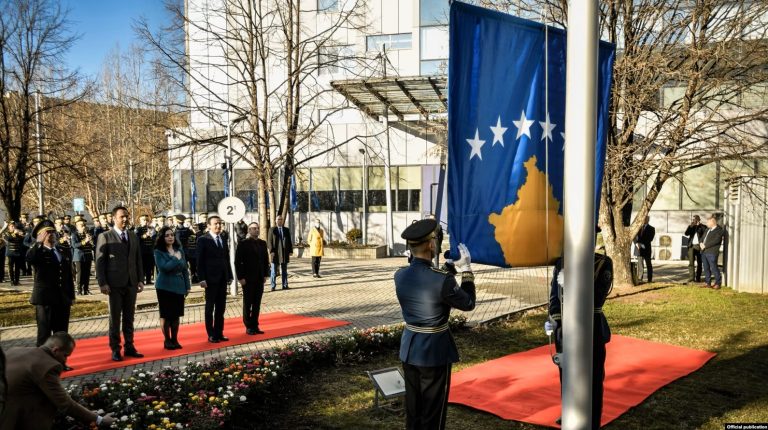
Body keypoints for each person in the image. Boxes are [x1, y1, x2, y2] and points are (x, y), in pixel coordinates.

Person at [394, 219, 476, 430]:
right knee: (433, 412)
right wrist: (466, 269)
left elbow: (428, 280)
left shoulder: (399, 275)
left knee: (413, 409)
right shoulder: (442, 280)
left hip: (410, 348)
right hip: (433, 351)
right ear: (431, 244)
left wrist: (450, 267)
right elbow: (467, 303)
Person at [547, 252, 613, 430]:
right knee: (566, 375)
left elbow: (597, 299)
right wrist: (557, 324)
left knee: (594, 378)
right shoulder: (561, 262)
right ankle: (569, 412)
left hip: (591, 328)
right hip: (565, 328)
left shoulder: (602, 262)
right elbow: (554, 297)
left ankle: (593, 420)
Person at [0, 332, 116, 429]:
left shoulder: (15, 350)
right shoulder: (48, 366)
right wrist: (100, 420)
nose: (65, 361)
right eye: (65, 355)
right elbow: (65, 403)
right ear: (55, 350)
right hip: (12, 419)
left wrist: (87, 413)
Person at [95, 206, 145, 362]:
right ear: (113, 218)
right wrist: (102, 282)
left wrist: (140, 279)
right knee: (115, 318)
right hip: (114, 284)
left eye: (127, 216)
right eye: (122, 216)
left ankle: (129, 346)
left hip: (131, 283)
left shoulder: (133, 236)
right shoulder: (105, 236)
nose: (125, 219)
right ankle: (115, 349)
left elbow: (138, 259)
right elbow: (100, 262)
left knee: (129, 317)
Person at [26, 220, 75, 351]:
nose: (52, 234)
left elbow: (68, 276)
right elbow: (29, 259)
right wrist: (38, 243)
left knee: (62, 334)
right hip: (45, 300)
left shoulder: (62, 250)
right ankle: (43, 360)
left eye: (53, 232)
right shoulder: (38, 251)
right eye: (48, 232)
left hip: (62, 299)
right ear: (40, 235)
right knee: (44, 334)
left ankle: (60, 360)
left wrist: (71, 296)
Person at [196, 216, 233, 343]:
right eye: (215, 224)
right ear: (209, 226)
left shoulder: (222, 238)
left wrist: (229, 275)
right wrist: (201, 278)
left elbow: (226, 258)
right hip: (210, 279)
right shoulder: (203, 239)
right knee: (210, 307)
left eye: (220, 223)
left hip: (222, 278)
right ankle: (211, 334)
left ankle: (219, 332)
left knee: (221, 307)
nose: (218, 226)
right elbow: (199, 260)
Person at [154, 226, 191, 350]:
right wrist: (175, 258)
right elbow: (164, 268)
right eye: (167, 235)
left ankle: (175, 339)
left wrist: (187, 286)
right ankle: (167, 340)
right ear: (162, 238)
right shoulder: (158, 252)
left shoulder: (179, 250)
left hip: (179, 286)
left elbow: (185, 269)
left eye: (172, 235)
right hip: (164, 287)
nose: (170, 237)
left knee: (176, 315)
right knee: (166, 315)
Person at [235, 222, 270, 335]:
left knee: (257, 303)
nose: (256, 230)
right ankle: (248, 326)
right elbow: (237, 262)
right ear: (249, 230)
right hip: (247, 279)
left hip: (259, 278)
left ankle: (255, 325)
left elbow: (265, 260)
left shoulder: (262, 243)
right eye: (254, 228)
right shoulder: (243, 243)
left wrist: (265, 274)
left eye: (258, 228)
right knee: (248, 303)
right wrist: (240, 277)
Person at [268, 215, 293, 291]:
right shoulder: (272, 230)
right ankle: (273, 286)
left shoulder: (286, 230)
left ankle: (285, 285)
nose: (280, 221)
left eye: (281, 219)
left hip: (284, 253)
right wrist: (271, 251)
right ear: (275, 221)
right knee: (273, 271)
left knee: (284, 270)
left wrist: (290, 251)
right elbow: (269, 241)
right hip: (275, 253)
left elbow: (289, 241)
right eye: (278, 219)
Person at [71, 218, 95, 295]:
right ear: (77, 227)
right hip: (79, 257)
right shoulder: (74, 234)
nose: (84, 227)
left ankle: (86, 289)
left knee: (87, 273)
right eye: (81, 225)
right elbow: (74, 245)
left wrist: (91, 242)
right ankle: (79, 290)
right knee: (80, 274)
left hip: (88, 256)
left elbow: (92, 246)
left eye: (84, 225)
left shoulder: (88, 234)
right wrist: (85, 241)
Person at [700, 214, 725, 289]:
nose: (706, 223)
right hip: (704, 252)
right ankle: (708, 283)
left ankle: (718, 283)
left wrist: (705, 245)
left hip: (712, 252)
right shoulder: (707, 229)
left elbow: (716, 241)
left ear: (712, 222)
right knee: (706, 268)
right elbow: (702, 238)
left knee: (714, 268)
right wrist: (700, 243)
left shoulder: (719, 230)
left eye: (708, 222)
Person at [135, 215, 157, 285]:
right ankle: (141, 280)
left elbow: (155, 238)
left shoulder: (152, 229)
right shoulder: (138, 229)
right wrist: (144, 236)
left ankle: (148, 280)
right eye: (144, 220)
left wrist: (153, 236)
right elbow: (136, 239)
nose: (145, 221)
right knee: (142, 266)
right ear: (140, 221)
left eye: (147, 220)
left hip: (150, 250)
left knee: (149, 266)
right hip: (142, 251)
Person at [633, 216, 655, 283]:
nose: (644, 220)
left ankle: (649, 279)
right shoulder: (638, 228)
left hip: (646, 249)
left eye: (646, 219)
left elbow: (650, 238)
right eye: (644, 219)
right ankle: (640, 279)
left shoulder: (651, 228)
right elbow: (633, 236)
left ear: (648, 220)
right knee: (640, 265)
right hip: (638, 249)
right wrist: (636, 243)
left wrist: (641, 244)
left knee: (648, 264)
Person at [3, 221, 26, 286]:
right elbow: (9, 239)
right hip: (10, 253)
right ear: (9, 227)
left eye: (14, 226)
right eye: (12, 226)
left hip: (18, 253)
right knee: (10, 268)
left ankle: (17, 281)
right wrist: (14, 234)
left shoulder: (19, 233)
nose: (13, 227)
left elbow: (22, 240)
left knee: (17, 268)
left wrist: (20, 235)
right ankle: (12, 281)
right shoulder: (6, 233)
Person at [685, 215, 706, 283]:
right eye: (693, 219)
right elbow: (686, 233)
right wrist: (691, 226)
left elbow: (705, 233)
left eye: (695, 219)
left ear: (699, 220)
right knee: (691, 263)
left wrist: (699, 225)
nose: (694, 221)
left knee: (699, 263)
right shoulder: (691, 226)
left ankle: (698, 277)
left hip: (699, 246)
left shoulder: (703, 226)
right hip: (691, 246)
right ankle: (691, 278)